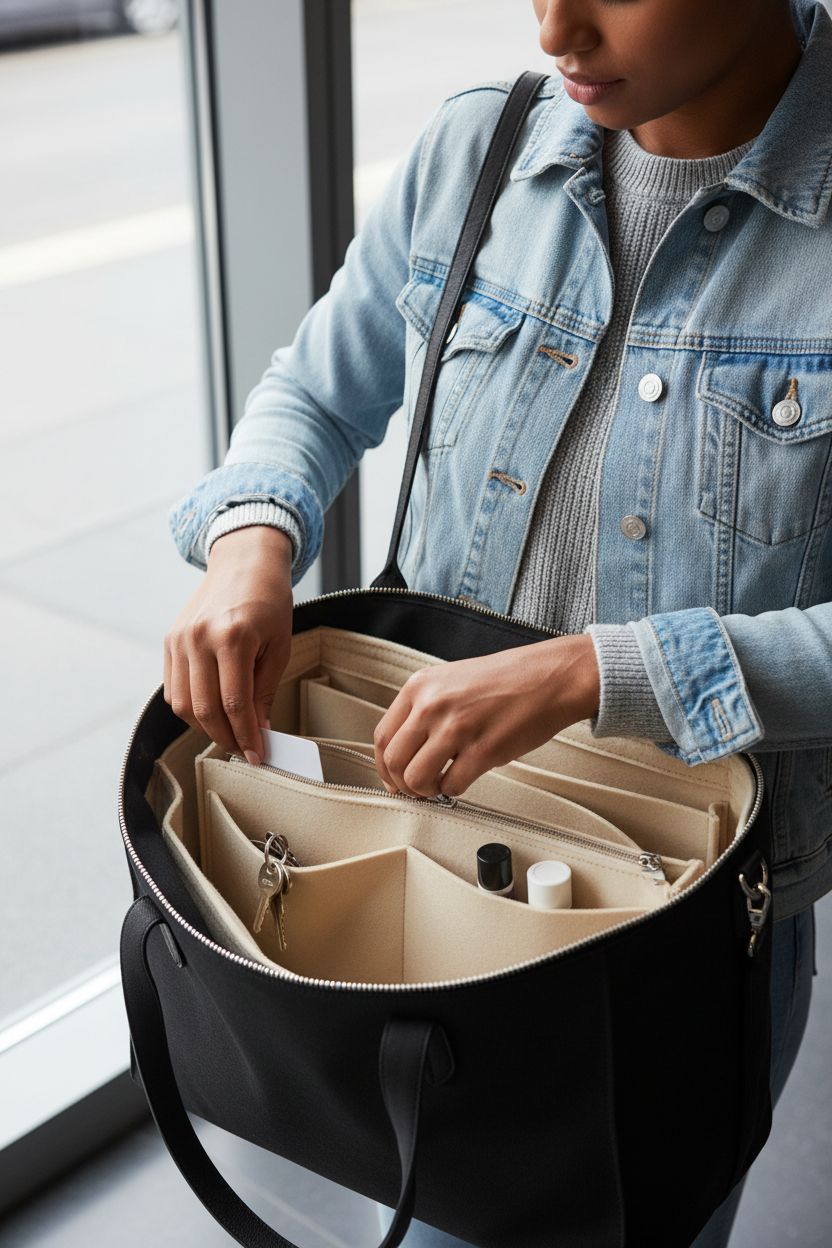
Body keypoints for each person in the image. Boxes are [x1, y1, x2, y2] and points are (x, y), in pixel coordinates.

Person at [164, 0, 831, 1242]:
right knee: (426, 1191)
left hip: (676, 926)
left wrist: (594, 673)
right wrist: (250, 540)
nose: (554, 30)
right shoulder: (484, 150)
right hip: (422, 850)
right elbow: (315, 387)